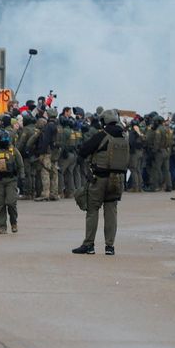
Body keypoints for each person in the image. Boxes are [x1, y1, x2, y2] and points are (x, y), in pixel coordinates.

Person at [73, 109, 129, 256]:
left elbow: (84, 150)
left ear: (104, 121)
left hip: (100, 178)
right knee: (111, 212)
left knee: (92, 210)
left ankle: (89, 245)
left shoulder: (102, 135)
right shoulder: (124, 136)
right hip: (117, 180)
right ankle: (110, 247)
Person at [0, 130, 24, 234]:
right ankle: (2, 226)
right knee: (0, 204)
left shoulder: (13, 151)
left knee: (11, 202)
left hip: (11, 180)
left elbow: (20, 165)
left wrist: (22, 177)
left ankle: (13, 222)